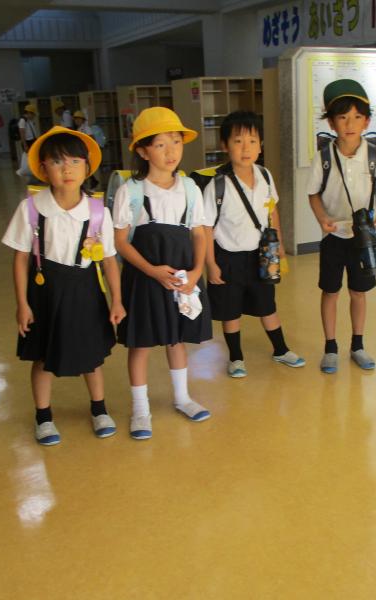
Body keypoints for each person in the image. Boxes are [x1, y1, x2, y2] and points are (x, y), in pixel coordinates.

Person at [1, 126, 125, 446]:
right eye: (57, 162)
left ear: (87, 167)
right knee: (43, 357)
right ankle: (43, 416)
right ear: (43, 169)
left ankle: (99, 410)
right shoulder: (31, 209)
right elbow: (20, 259)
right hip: (45, 292)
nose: (66, 169)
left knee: (91, 355)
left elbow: (109, 260)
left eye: (74, 161)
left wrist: (116, 300)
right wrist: (22, 304)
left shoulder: (97, 211)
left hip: (85, 291)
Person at [113, 107, 212, 440]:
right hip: (144, 278)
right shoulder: (131, 191)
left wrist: (197, 271)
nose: (171, 152)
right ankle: (140, 409)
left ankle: (182, 398)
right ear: (143, 151)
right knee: (140, 343)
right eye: (160, 145)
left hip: (182, 278)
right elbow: (120, 242)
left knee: (175, 337)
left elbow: (199, 233)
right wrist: (152, 271)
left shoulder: (190, 188)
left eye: (176, 142)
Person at [202, 110, 304, 378]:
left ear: (260, 146)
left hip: (261, 254)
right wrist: (210, 264)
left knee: (267, 304)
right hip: (227, 257)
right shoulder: (217, 185)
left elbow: (272, 212)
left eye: (252, 141)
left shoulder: (265, 176)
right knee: (230, 311)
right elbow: (206, 228)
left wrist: (279, 245)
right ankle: (236, 357)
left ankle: (280, 349)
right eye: (237, 141)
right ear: (225, 145)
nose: (245, 148)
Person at [307, 79, 376, 374]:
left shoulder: (374, 155)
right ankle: (330, 347)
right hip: (333, 237)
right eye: (342, 117)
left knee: (359, 292)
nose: (350, 124)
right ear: (331, 123)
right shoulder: (323, 158)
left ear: (366, 121)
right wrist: (322, 218)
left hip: (363, 238)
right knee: (330, 291)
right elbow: (313, 193)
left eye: (357, 117)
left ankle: (358, 345)